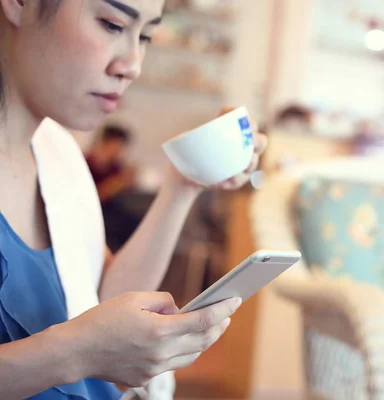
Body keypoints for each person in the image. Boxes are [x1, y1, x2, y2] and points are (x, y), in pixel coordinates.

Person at [0, 1, 267, 399]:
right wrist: (75, 352)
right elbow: (87, 343)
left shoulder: (58, 156)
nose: (133, 65)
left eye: (145, 37)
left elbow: (98, 302)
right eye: (111, 24)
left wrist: (184, 184)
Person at [85, 124, 140, 252]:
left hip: (111, 209)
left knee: (136, 223)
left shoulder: (115, 166)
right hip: (93, 212)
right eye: (118, 145)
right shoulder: (87, 163)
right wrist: (116, 184)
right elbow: (92, 198)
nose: (120, 150)